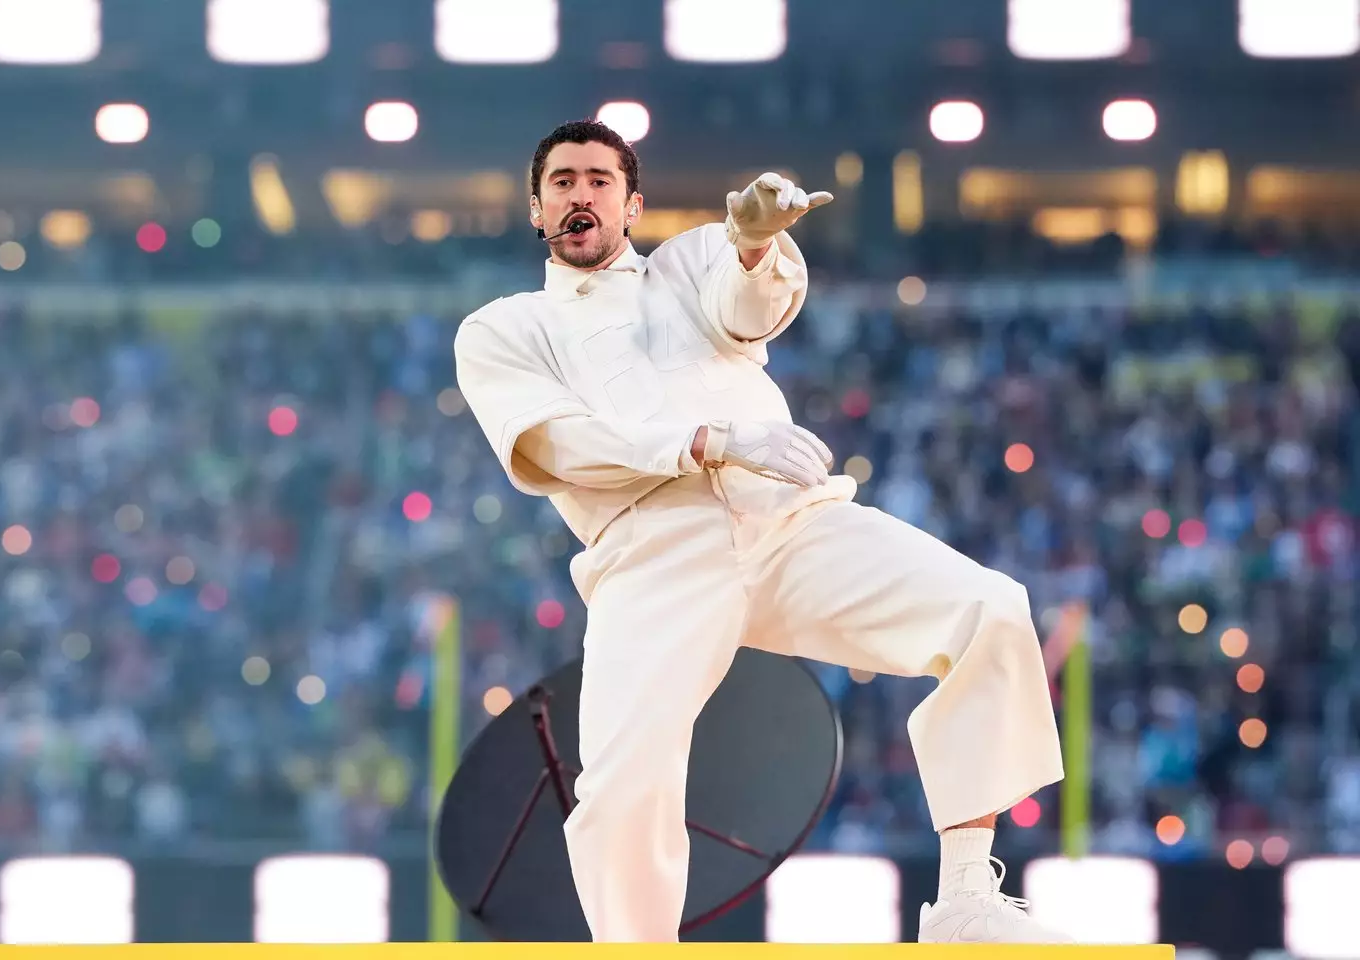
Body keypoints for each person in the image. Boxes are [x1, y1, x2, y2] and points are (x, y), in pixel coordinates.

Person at [454, 119, 1069, 944]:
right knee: (620, 783)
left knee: (989, 609)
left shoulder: (690, 259)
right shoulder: (504, 328)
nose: (580, 194)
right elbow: (556, 443)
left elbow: (749, 311)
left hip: (787, 519)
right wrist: (705, 441)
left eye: (600, 180)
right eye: (562, 181)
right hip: (653, 550)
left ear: (632, 204)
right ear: (537, 209)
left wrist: (750, 246)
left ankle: (964, 897)